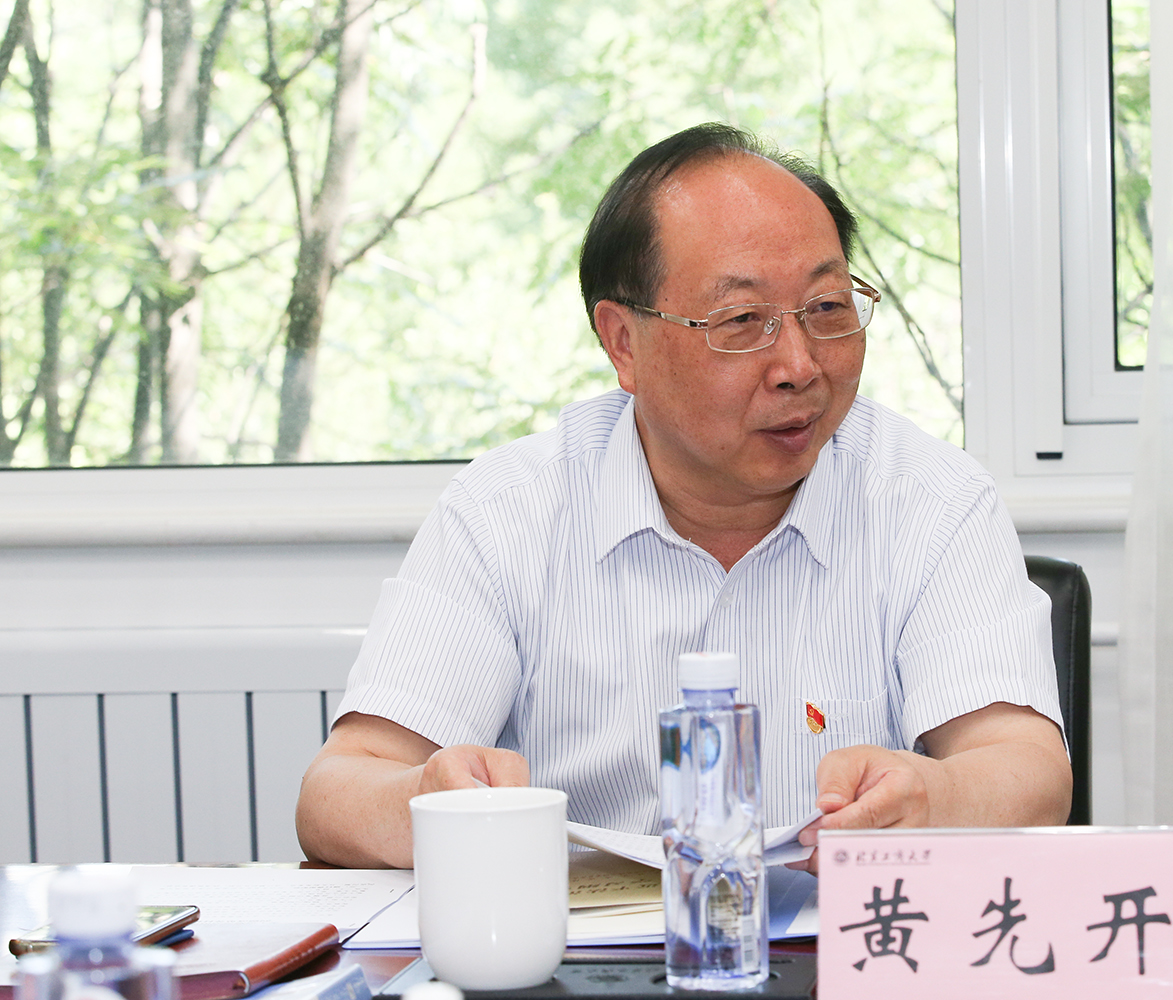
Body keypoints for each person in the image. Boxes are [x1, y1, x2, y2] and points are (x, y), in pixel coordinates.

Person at [296, 123, 1071, 870]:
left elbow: (1027, 769)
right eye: (742, 321)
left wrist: (934, 797)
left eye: (828, 309)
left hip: (837, 941)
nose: (799, 365)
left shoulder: (931, 499)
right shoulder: (508, 511)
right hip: (582, 946)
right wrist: (425, 802)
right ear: (622, 343)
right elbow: (338, 791)